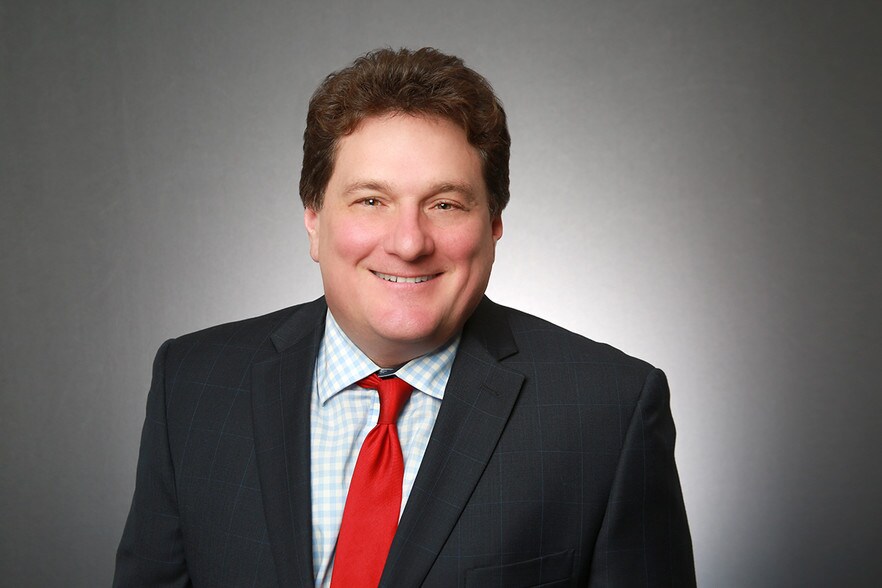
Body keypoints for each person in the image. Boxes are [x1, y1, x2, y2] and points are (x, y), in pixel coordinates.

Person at [114, 47, 695, 587]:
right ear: (314, 219)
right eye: (372, 200)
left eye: (445, 204)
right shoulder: (191, 385)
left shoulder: (609, 411)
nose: (409, 242)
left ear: (494, 224)